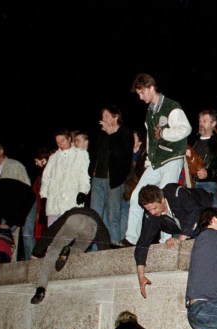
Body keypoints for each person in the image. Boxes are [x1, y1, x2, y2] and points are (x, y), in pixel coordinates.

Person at [124, 73, 192, 245]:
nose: (140, 97)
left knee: (162, 198)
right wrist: (148, 160)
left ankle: (165, 239)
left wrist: (164, 133)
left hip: (172, 158)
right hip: (156, 162)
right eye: (138, 94)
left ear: (151, 87)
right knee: (136, 196)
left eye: (141, 93)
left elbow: (185, 129)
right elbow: (149, 140)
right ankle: (131, 238)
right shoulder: (149, 113)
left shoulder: (171, 106)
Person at [134, 183, 213, 297]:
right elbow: (142, 243)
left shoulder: (175, 192)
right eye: (148, 209)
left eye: (154, 208)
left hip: (207, 207)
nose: (152, 212)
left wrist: (180, 238)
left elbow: (196, 212)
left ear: (162, 199)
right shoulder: (151, 214)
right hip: (185, 225)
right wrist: (141, 276)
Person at [29, 207, 111, 303]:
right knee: (78, 250)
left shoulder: (70, 212)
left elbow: (51, 231)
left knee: (54, 250)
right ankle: (67, 253)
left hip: (74, 220)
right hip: (92, 225)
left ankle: (41, 289)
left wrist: (36, 251)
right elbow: (105, 236)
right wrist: (105, 253)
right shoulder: (95, 215)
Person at [90, 104, 133, 243]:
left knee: (112, 217)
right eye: (102, 116)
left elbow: (121, 155)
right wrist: (92, 171)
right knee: (95, 216)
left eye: (106, 116)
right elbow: (95, 155)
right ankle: (96, 249)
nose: (103, 118)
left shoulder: (125, 133)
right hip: (97, 179)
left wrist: (111, 134)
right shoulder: (101, 135)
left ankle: (113, 247)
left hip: (113, 181)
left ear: (116, 117)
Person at [0, 141, 32, 260]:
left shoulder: (16, 166)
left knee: (25, 235)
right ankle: (8, 263)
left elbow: (27, 188)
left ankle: (31, 264)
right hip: (3, 209)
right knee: (4, 236)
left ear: (1, 151)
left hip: (20, 207)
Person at [40, 129, 91, 226]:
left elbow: (84, 176)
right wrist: (44, 197)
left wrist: (83, 191)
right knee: (53, 235)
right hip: (54, 204)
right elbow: (46, 179)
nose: (60, 144)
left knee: (70, 233)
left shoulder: (80, 154)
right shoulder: (53, 158)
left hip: (71, 201)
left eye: (62, 141)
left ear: (69, 139)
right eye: (57, 142)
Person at [188, 109, 217, 207]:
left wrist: (208, 173)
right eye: (200, 121)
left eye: (205, 121)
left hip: (209, 184)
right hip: (191, 183)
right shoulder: (192, 141)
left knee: (211, 216)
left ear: (213, 123)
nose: (201, 124)